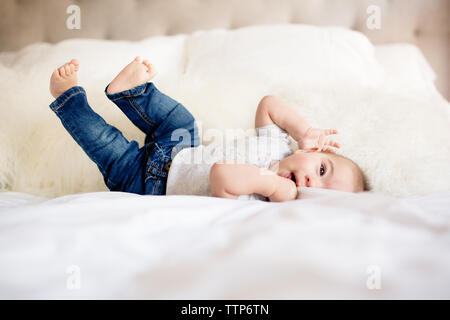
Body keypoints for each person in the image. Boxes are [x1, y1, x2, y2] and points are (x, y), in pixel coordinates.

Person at [49, 57, 366, 202]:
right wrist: (304, 131)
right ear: (311, 152)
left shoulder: (269, 200)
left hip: (149, 186)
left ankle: (68, 99)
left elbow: (221, 175)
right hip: (182, 149)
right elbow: (268, 104)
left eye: (320, 192)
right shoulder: (280, 146)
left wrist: (276, 187)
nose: (312, 182)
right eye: (322, 169)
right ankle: (131, 93)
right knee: (182, 121)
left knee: (108, 145)